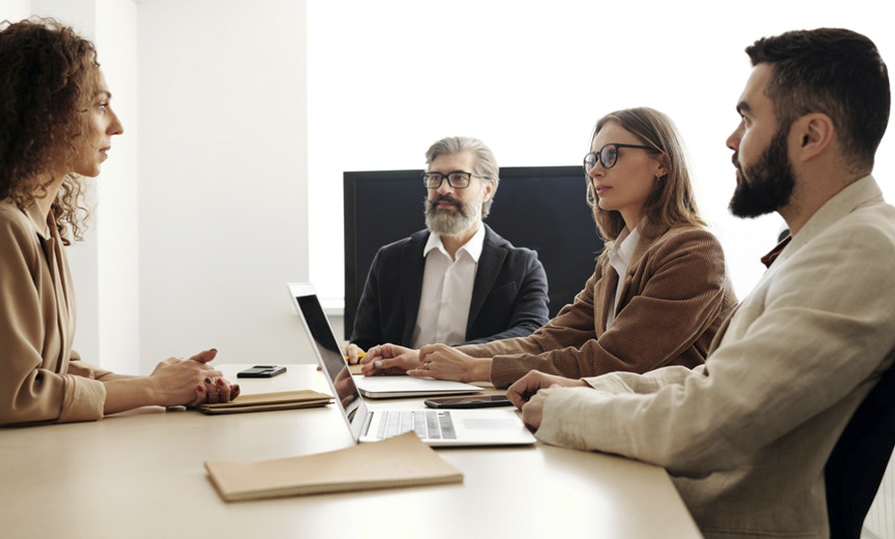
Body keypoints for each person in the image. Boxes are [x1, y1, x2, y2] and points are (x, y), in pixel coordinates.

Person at [506, 28, 894, 538]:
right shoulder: (818, 245)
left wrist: (566, 410)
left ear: (811, 136)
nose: (732, 140)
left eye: (747, 118)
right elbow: (712, 380)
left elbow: (703, 424)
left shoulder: (861, 250)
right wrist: (587, 388)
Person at [362, 108, 737, 388]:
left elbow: (617, 360)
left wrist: (475, 369)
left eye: (611, 155)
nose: (595, 170)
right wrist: (425, 359)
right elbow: (549, 339)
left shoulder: (693, 250)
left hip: (679, 438)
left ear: (662, 163)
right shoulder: (615, 257)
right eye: (593, 159)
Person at [0, 18, 237, 427]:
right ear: (46, 114)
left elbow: (56, 371)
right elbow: (16, 394)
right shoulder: (6, 228)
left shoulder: (41, 222)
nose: (117, 125)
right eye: (100, 104)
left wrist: (172, 381)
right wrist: (155, 390)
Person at [346, 136, 549, 361]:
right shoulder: (390, 259)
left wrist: (428, 357)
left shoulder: (522, 266)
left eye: (458, 178)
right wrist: (356, 352)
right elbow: (364, 342)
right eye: (435, 177)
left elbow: (530, 336)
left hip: (478, 389)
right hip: (398, 386)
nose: (443, 189)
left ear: (487, 189)